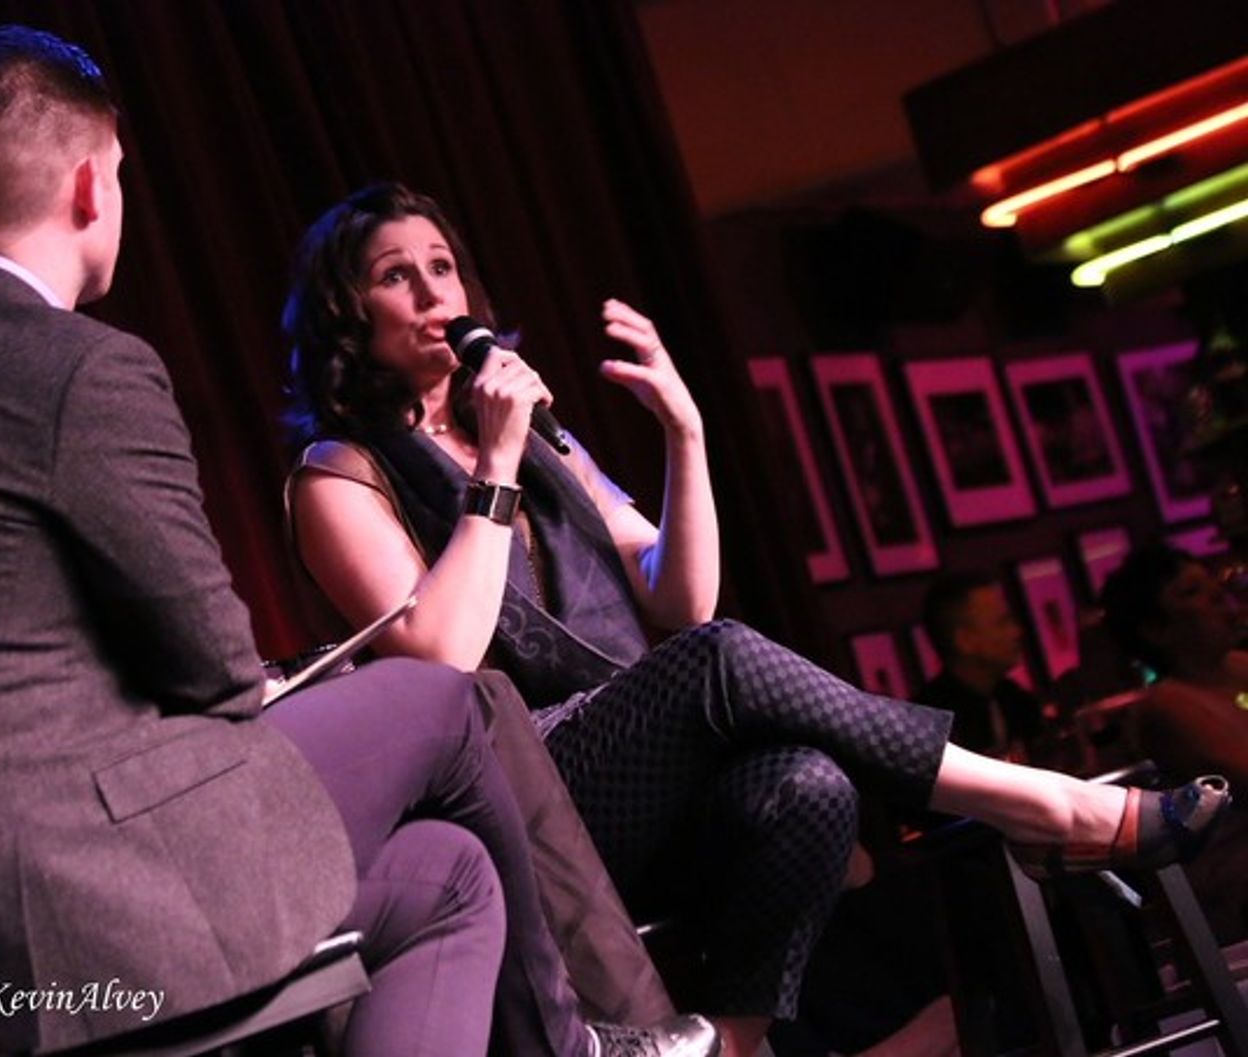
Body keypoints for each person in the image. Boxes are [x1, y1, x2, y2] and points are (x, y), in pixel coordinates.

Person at [0, 29, 718, 1057]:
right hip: (92, 910)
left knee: (445, 873)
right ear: (90, 186)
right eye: (121, 178)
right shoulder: (81, 369)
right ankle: (590, 1045)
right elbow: (215, 668)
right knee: (453, 698)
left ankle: (588, 1039)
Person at [279, 182, 1233, 1057]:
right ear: (348, 314)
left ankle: (729, 1044)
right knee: (718, 657)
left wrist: (684, 431)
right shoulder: (338, 472)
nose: (432, 291)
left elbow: (675, 593)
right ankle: (1047, 807)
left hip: (639, 783)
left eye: (442, 265)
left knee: (807, 786)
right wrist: (492, 463)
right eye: (394, 276)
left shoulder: (540, 440)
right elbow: (440, 659)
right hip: (527, 799)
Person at [1101, 544, 1248, 941]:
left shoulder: (1240, 664)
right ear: (1156, 630)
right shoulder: (1168, 705)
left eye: (1209, 583)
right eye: (1191, 593)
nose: (1217, 594)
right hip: (1234, 891)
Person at [917, 572, 1047, 762]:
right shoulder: (929, 724)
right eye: (1002, 623)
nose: (1017, 631)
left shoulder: (1017, 701)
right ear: (966, 641)